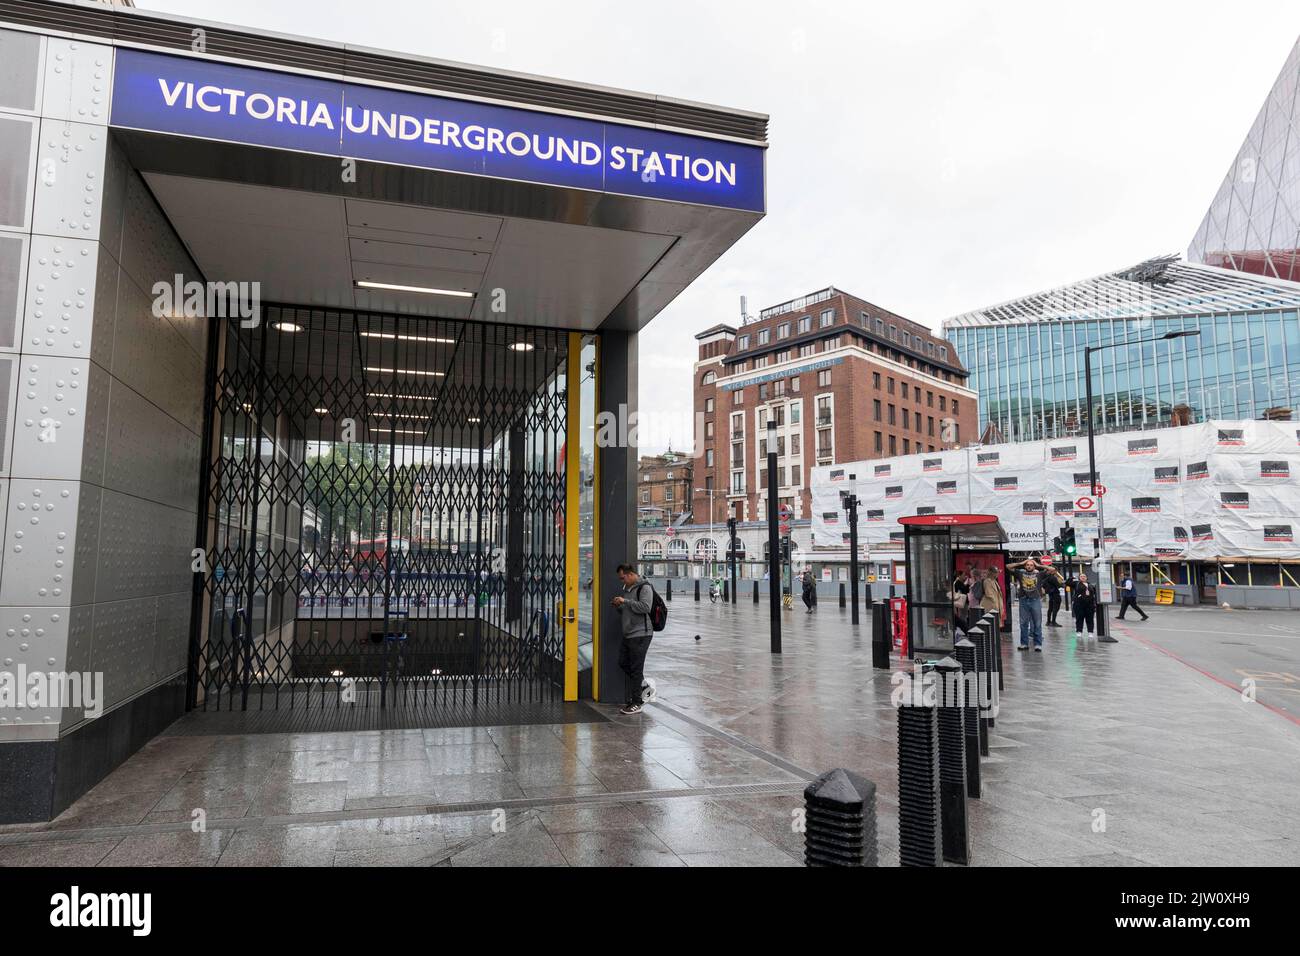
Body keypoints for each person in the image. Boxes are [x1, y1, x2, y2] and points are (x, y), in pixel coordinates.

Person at [612, 563, 654, 715]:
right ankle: (643, 687)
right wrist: (619, 605)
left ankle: (637, 702)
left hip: (642, 633)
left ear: (630, 574)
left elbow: (645, 607)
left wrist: (625, 601)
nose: (622, 581)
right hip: (629, 633)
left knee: (636, 668)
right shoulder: (627, 589)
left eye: (623, 578)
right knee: (623, 662)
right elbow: (629, 609)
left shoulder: (645, 587)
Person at [1006, 557, 1046, 651]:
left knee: (1037, 622)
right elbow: (1007, 566)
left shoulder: (1039, 574)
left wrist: (1038, 565)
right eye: (1027, 565)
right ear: (1025, 566)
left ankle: (1038, 644)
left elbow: (1052, 570)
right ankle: (1024, 644)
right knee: (1023, 623)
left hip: (1035, 599)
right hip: (1023, 600)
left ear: (1034, 566)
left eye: (1031, 565)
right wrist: (1021, 563)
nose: (1029, 566)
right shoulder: (1020, 573)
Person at [1072, 570, 1096, 637]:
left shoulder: (1090, 585)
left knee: (1090, 619)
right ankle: (1079, 631)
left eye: (1084, 576)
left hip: (1089, 605)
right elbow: (1068, 582)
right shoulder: (1076, 584)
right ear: (1079, 578)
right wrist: (1073, 578)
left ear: (1086, 577)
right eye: (1081, 576)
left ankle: (1090, 632)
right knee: (1079, 618)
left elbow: (1094, 593)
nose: (1083, 577)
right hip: (1079, 605)